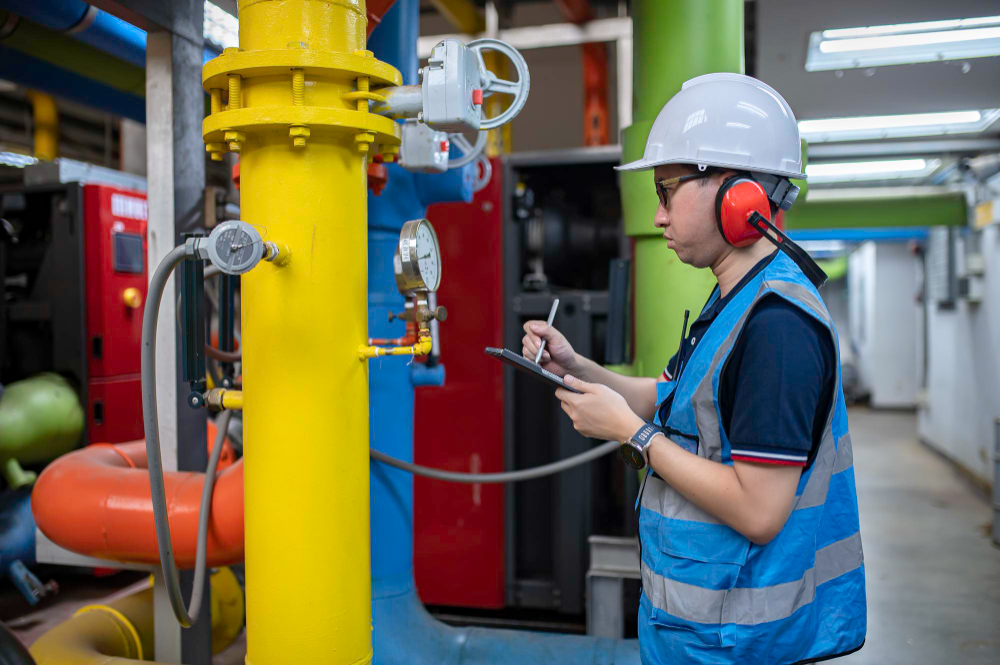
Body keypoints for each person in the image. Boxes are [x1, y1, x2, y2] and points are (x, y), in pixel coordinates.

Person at [522, 73, 866, 664]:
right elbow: (674, 398)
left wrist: (632, 435)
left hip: (743, 640)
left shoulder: (777, 328)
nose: (657, 217)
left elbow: (759, 512)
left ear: (738, 196)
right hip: (704, 626)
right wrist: (578, 364)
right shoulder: (736, 298)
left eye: (666, 191)